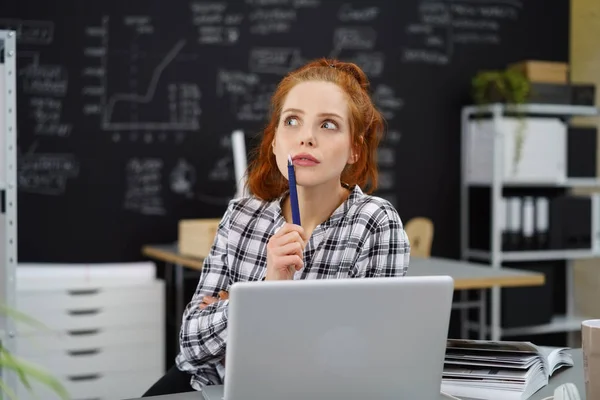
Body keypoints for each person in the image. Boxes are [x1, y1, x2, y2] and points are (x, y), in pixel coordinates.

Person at [141, 58, 411, 396]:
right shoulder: (242, 214)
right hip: (211, 385)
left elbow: (365, 357)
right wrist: (265, 289)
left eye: (328, 125)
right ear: (274, 141)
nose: (306, 138)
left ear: (355, 149)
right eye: (292, 121)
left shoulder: (375, 223)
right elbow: (193, 346)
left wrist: (235, 304)